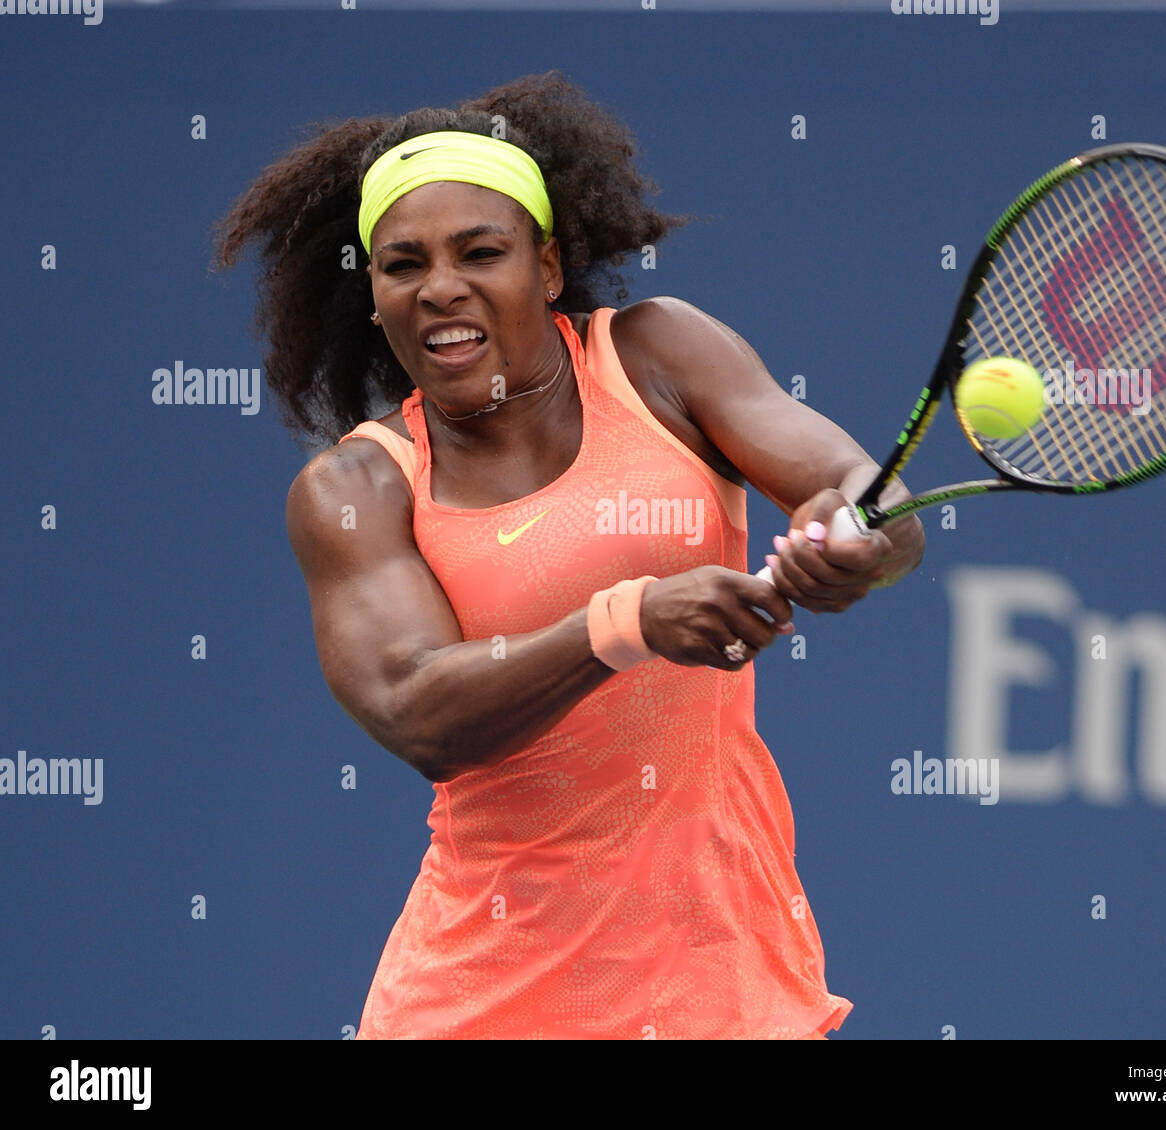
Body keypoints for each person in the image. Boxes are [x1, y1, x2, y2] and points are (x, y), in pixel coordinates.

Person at [212, 70, 924, 1039]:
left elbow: (875, 503)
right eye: (403, 264)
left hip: (726, 985)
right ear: (374, 296)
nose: (441, 286)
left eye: (480, 251)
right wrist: (627, 620)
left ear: (546, 265)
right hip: (481, 1003)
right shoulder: (356, 490)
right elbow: (419, 711)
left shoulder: (662, 356)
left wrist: (851, 543)